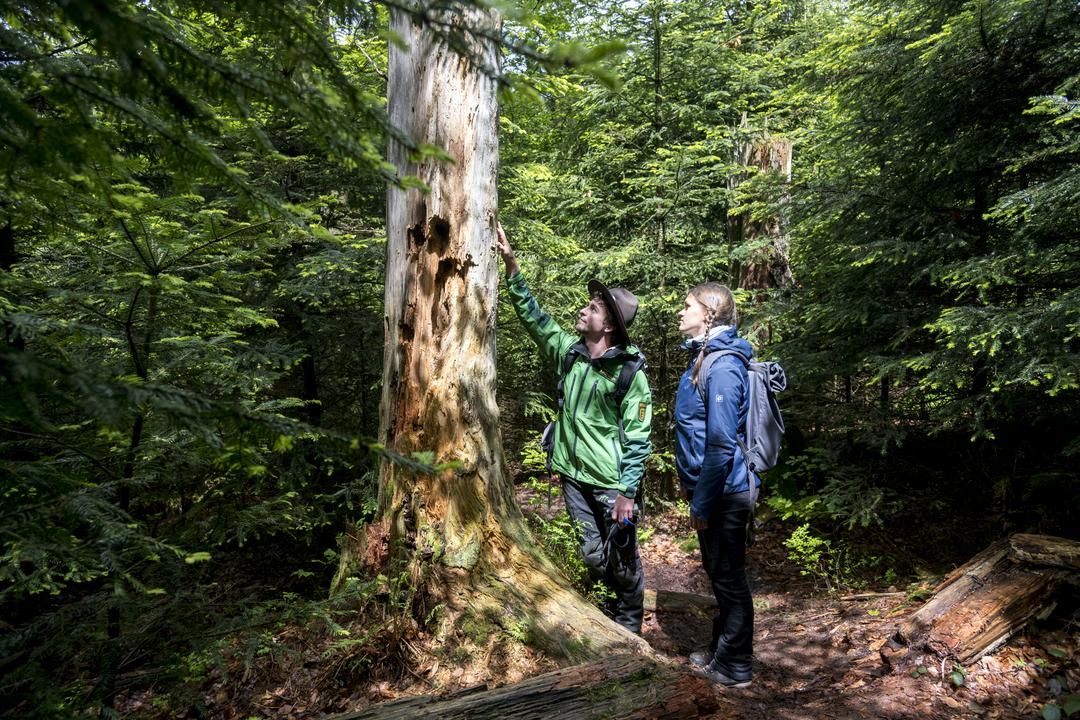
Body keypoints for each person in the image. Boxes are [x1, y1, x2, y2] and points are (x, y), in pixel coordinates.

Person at [496, 223, 652, 634]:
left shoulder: (629, 373)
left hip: (610, 482)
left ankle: (630, 622)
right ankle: (604, 612)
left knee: (622, 555)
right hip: (573, 477)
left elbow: (638, 436)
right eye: (588, 305)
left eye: (594, 309)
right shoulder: (570, 353)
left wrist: (627, 492)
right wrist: (511, 264)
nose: (584, 310)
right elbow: (535, 318)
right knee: (591, 553)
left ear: (610, 326)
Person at [674, 282, 757, 687]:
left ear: (708, 314)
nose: (679, 311)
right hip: (715, 490)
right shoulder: (706, 357)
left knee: (728, 576)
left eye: (686, 305)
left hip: (726, 492)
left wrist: (702, 503)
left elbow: (722, 443)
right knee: (719, 572)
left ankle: (736, 664)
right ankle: (722, 648)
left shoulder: (722, 366)